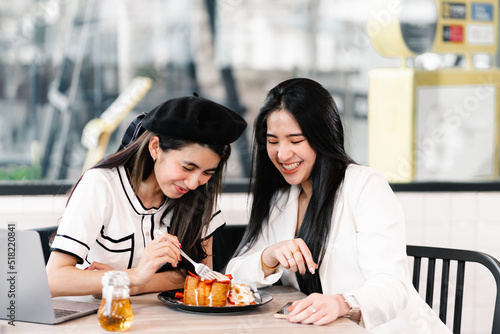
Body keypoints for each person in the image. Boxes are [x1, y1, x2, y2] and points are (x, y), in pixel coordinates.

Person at [226, 78, 451, 333]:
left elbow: (392, 286)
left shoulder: (364, 185)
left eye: (295, 140)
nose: (282, 154)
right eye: (273, 141)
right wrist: (269, 256)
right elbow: (233, 276)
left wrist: (342, 303)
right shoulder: (280, 199)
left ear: (321, 137)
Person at [47, 95, 247, 297]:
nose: (194, 183)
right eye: (187, 167)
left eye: (207, 173)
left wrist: (122, 282)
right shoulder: (101, 185)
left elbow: (200, 277)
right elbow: (54, 280)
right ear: (155, 148)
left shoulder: (200, 194)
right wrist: (134, 276)